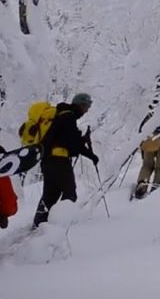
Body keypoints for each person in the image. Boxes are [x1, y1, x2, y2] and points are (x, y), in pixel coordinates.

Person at [33, 93, 98, 227]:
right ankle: (60, 226)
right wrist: (91, 155)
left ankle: (39, 224)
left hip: (47, 161)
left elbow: (66, 140)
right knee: (70, 193)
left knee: (50, 195)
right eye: (86, 106)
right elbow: (74, 144)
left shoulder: (61, 115)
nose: (87, 110)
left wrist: (80, 140)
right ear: (80, 104)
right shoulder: (68, 117)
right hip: (59, 162)